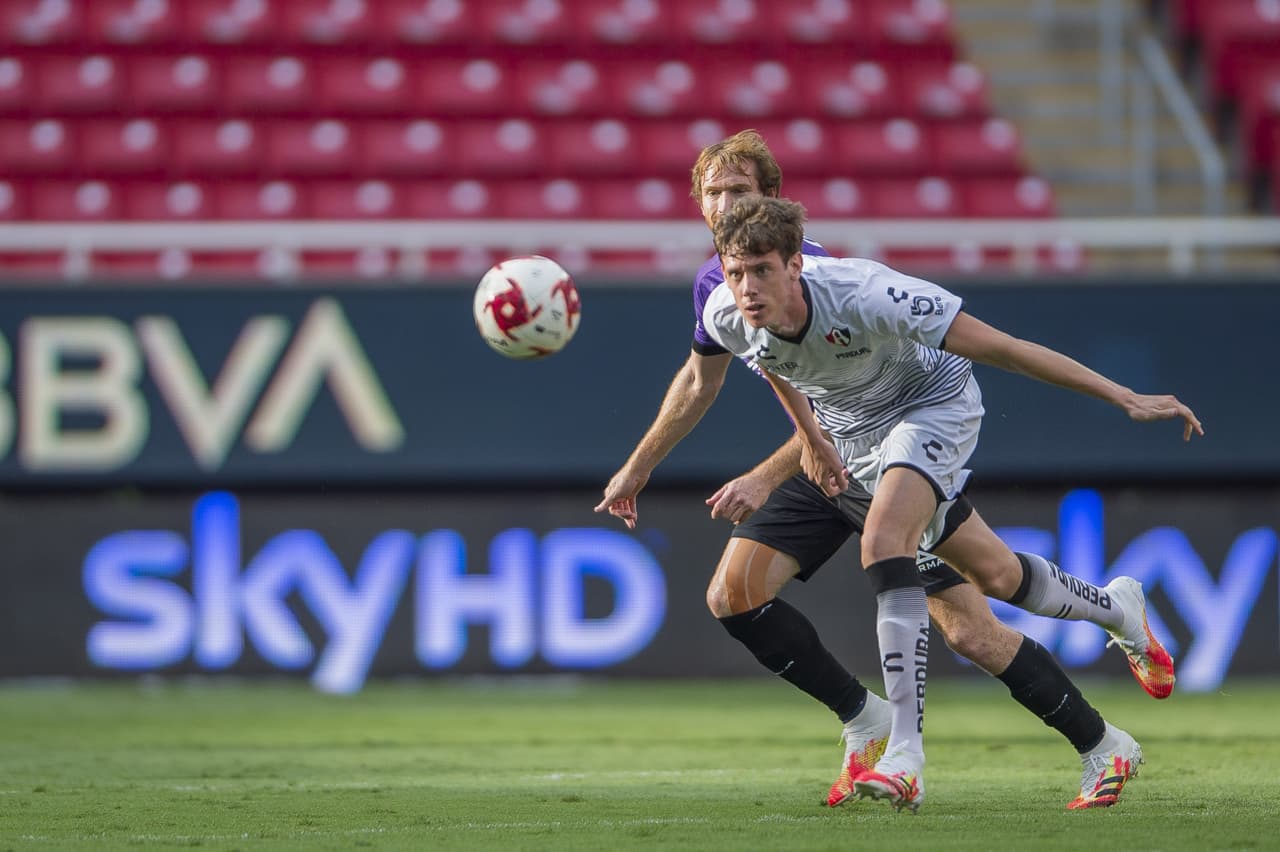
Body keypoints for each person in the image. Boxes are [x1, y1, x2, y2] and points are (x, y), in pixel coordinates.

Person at [595, 130, 1189, 813]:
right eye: (715, 194)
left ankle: (914, 756)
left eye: (741, 193)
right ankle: (1108, 621)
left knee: (953, 610)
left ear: (782, 228)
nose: (728, 209)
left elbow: (1003, 348)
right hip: (841, 448)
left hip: (926, 410)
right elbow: (770, 366)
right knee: (747, 594)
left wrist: (1121, 395)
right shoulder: (725, 296)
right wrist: (657, 465)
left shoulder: (858, 289)